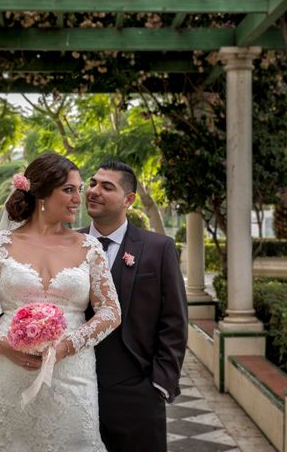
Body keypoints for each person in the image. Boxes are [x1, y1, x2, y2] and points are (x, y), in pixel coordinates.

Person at [0, 152, 121, 451]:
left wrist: (68, 344)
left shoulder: (89, 247)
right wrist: (1, 345)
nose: (78, 198)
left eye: (78, 189)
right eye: (68, 189)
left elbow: (111, 311)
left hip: (72, 372)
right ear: (40, 192)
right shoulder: (0, 245)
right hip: (11, 368)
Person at [82, 160, 188, 452]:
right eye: (92, 183)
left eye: (107, 186)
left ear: (128, 199)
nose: (94, 191)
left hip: (137, 390)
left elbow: (175, 321)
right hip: (75, 388)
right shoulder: (68, 244)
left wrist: (159, 384)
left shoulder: (158, 249)